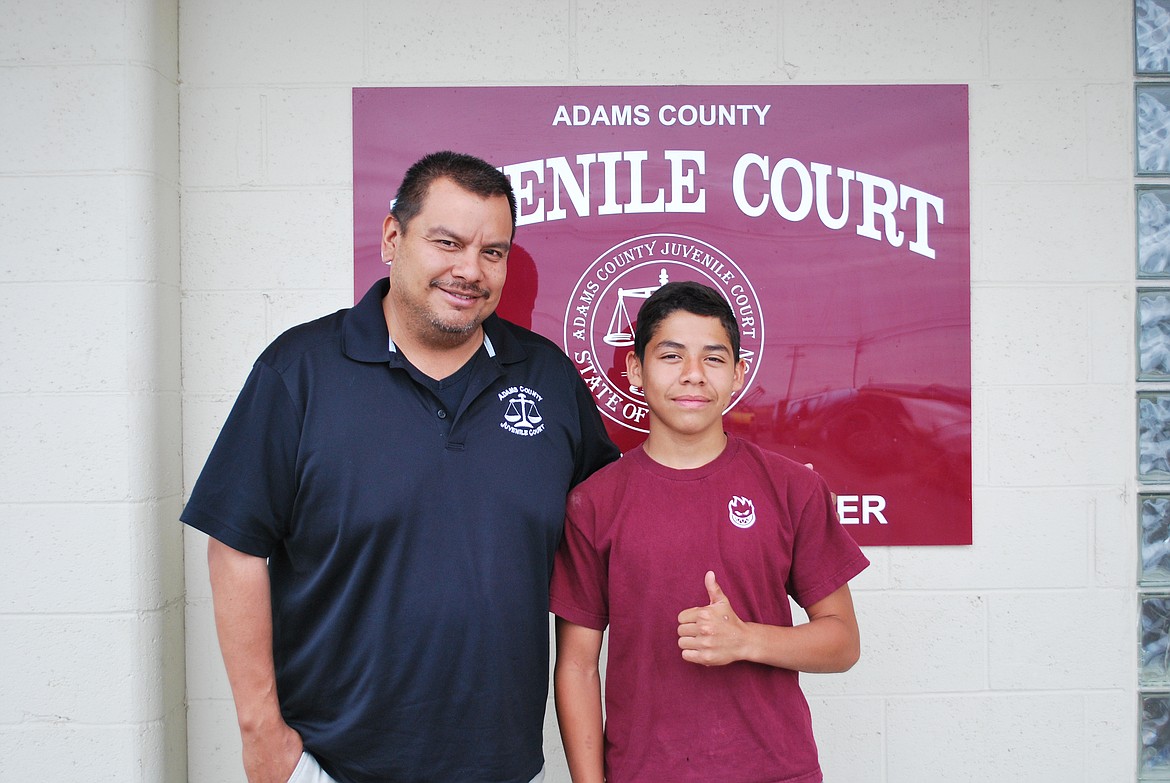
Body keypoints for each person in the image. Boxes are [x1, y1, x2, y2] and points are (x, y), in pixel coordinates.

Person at [181, 150, 620, 783]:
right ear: (393, 237)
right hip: (333, 765)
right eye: (448, 242)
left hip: (503, 767)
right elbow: (235, 549)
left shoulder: (546, 377)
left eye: (493, 252)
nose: (470, 270)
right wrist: (261, 733)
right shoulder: (299, 371)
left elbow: (601, 538)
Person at [550, 281, 869, 783]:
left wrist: (746, 640)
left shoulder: (792, 488)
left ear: (739, 373)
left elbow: (843, 641)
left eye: (714, 359)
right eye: (671, 355)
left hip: (776, 770)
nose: (693, 376)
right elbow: (576, 667)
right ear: (636, 370)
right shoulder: (594, 503)